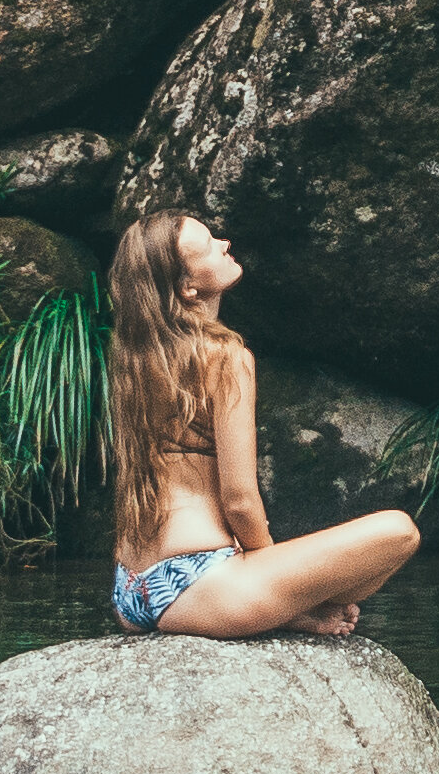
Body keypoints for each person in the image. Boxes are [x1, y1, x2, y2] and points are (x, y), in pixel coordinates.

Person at [101, 206, 417, 638]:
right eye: (209, 245)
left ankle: (286, 609)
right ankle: (290, 613)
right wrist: (277, 588)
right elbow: (239, 501)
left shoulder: (135, 362)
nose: (224, 242)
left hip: (131, 588)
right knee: (400, 532)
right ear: (189, 288)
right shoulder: (226, 357)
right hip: (201, 583)